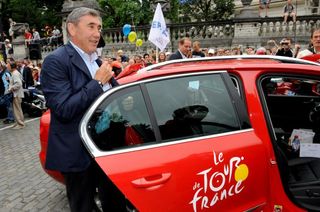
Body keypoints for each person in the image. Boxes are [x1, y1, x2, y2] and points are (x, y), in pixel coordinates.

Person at [40, 7, 125, 212]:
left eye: (99, 28)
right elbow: (63, 109)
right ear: (72, 28)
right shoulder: (55, 61)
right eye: (91, 27)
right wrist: (96, 83)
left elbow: (113, 95)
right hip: (77, 151)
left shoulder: (96, 59)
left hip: (106, 146)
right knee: (83, 207)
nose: (97, 34)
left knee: (115, 203)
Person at [7, 60, 24, 129]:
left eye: (8, 66)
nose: (7, 68)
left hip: (16, 94)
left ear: (12, 67)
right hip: (16, 94)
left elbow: (19, 84)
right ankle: (18, 122)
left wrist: (11, 88)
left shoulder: (15, 73)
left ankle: (20, 124)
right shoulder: (14, 73)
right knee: (17, 109)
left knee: (17, 109)